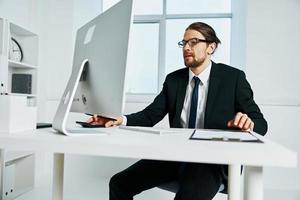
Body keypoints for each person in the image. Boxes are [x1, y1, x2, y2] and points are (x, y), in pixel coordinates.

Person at [88, 22, 268, 200]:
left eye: (194, 42)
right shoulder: (174, 80)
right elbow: (150, 115)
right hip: (175, 155)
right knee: (119, 183)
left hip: (212, 160)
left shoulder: (233, 78)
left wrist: (248, 123)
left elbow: (261, 123)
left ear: (211, 47)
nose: (186, 47)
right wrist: (120, 120)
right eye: (184, 43)